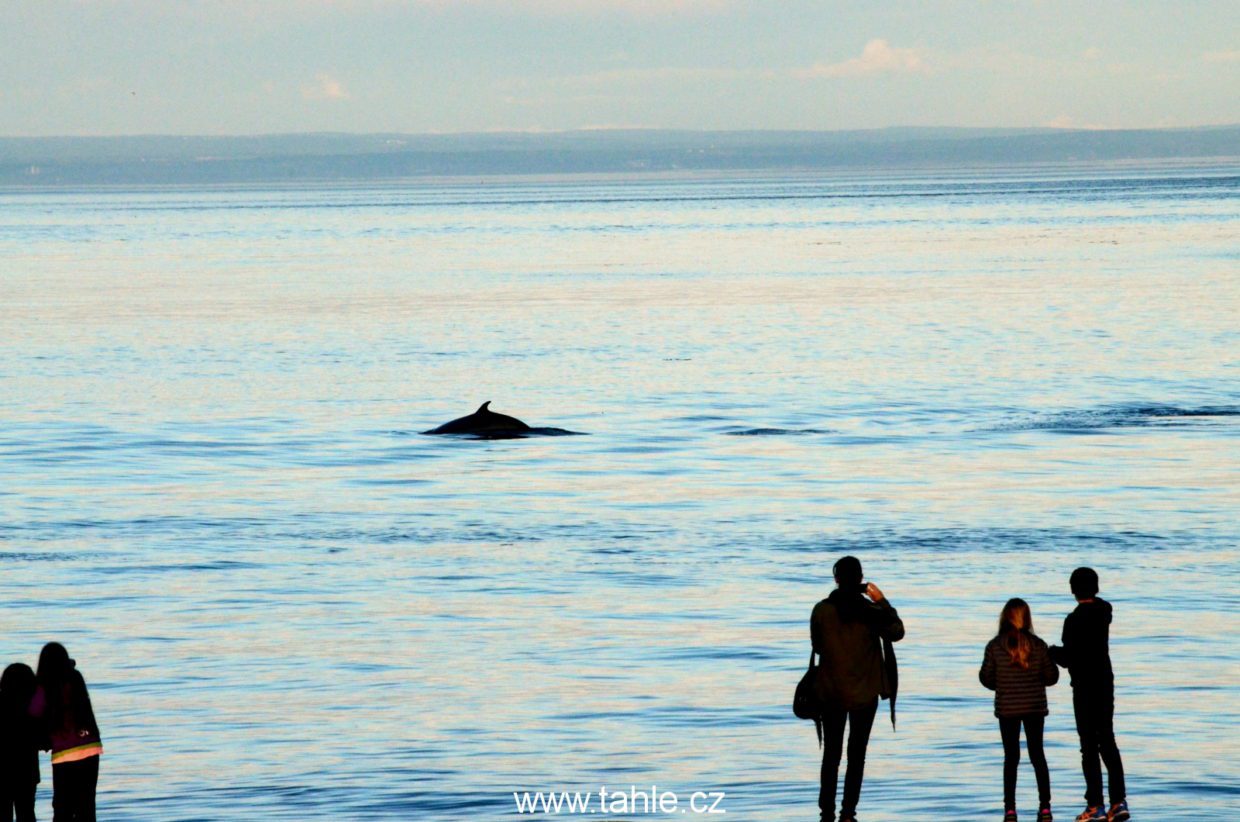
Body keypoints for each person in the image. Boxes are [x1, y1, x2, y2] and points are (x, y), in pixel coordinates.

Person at [810, 556, 904, 822]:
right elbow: (897, 631)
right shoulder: (871, 612)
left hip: (831, 692)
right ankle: (848, 813)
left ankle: (826, 812)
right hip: (864, 693)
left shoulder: (821, 610)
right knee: (857, 755)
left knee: (831, 755)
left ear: (836, 579)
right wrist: (882, 600)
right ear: (861, 580)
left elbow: (817, 646)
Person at [1049, 568, 1129, 822]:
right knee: (1107, 740)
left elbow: (1069, 658)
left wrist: (1050, 651)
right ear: (1095, 588)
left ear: (1072, 590)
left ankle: (1095, 805)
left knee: (1088, 746)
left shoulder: (1073, 621)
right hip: (1105, 682)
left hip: (1084, 686)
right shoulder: (1104, 612)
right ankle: (1119, 801)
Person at [980, 598, 1060, 822]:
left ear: (1005, 617)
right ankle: (1045, 808)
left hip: (1007, 709)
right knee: (1038, 756)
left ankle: (1010, 810)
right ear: (1027, 618)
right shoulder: (1039, 645)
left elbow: (986, 678)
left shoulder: (995, 646)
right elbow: (1052, 677)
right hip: (1035, 707)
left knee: (1011, 758)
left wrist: (1003, 683)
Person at [31, 644, 102, 822]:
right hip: (90, 747)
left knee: (63, 807)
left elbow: (33, 714)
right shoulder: (76, 678)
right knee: (87, 805)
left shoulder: (44, 686)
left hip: (64, 753)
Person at [1, 663, 42, 822]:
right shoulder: (31, 710)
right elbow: (42, 739)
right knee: (26, 813)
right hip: (26, 773)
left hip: (3, 773)